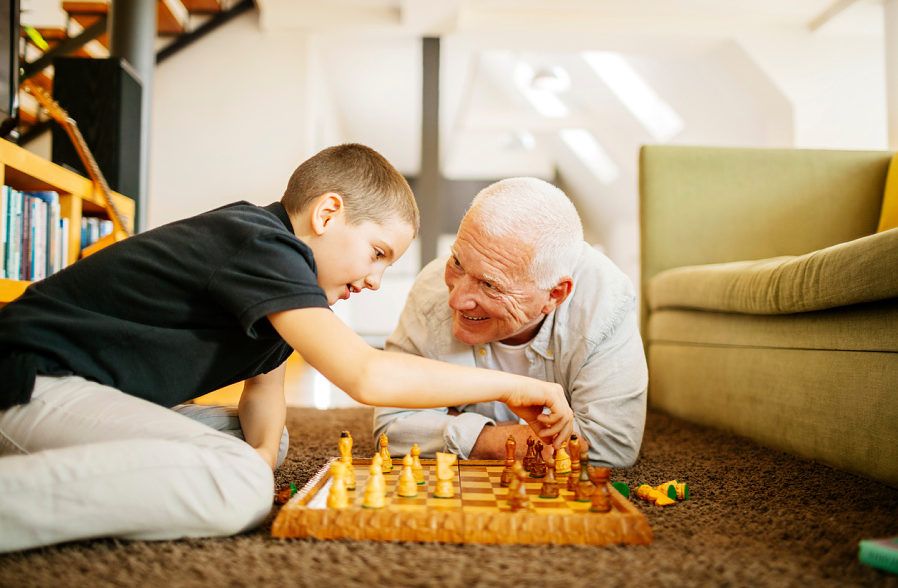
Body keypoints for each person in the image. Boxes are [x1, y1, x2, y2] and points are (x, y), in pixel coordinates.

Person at [0, 145, 572, 553]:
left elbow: (263, 392)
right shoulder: (262, 246)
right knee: (240, 487)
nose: (374, 280)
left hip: (61, 388)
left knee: (259, 447)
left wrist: (261, 451)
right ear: (327, 215)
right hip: (27, 377)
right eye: (376, 253)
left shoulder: (280, 283)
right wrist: (513, 384)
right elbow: (366, 375)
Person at [374, 177, 647, 466]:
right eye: (457, 262)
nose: (455, 300)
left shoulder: (605, 302)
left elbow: (611, 447)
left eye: (490, 285)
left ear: (554, 294)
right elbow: (391, 430)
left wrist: (452, 424)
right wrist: (508, 441)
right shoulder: (431, 291)